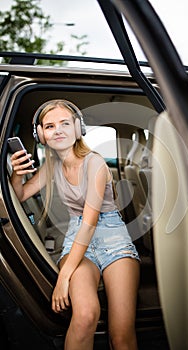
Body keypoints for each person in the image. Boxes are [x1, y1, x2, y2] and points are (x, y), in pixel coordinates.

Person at [10, 99, 140, 350]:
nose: (57, 130)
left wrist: (63, 277)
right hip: (78, 241)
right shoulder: (52, 165)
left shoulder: (95, 162)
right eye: (49, 126)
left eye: (64, 123)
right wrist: (17, 174)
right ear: (41, 135)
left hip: (113, 240)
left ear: (78, 129)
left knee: (121, 336)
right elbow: (21, 195)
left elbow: (91, 223)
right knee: (84, 316)